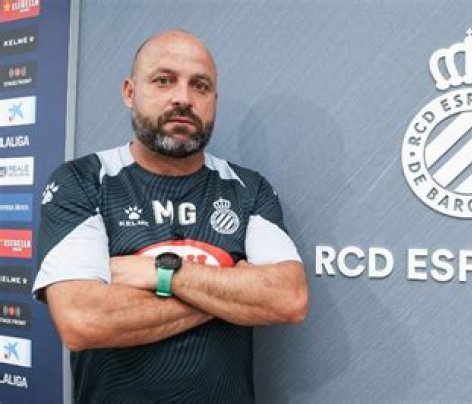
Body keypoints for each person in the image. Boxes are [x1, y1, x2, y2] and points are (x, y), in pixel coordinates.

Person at [31, 29, 308, 403]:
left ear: (214, 101)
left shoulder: (247, 188)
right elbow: (82, 320)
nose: (183, 98)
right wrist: (231, 288)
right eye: (164, 80)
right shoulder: (83, 181)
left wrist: (159, 273)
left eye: (200, 86)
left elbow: (288, 298)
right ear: (129, 92)